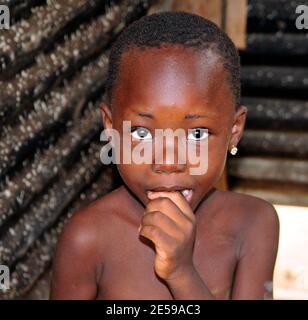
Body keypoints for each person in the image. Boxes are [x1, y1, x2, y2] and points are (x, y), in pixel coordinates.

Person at [50, 11, 279, 300]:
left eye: (196, 134)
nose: (169, 162)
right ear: (111, 127)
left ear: (234, 130)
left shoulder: (253, 223)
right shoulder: (87, 238)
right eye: (142, 134)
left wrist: (181, 274)